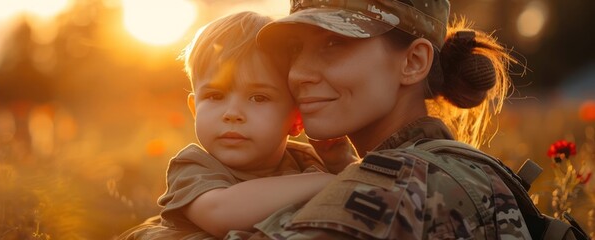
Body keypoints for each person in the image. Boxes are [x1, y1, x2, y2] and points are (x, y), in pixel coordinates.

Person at [224, 0, 535, 239]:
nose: (298, 73)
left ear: (413, 62)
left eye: (334, 43)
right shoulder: (456, 167)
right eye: (294, 49)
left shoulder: (390, 190)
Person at [118, 11, 358, 240]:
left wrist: (340, 164)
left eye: (259, 98)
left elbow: (357, 190)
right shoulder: (194, 167)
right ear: (194, 109)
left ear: (296, 120)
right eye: (215, 96)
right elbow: (221, 214)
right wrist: (326, 182)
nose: (232, 114)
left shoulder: (306, 159)